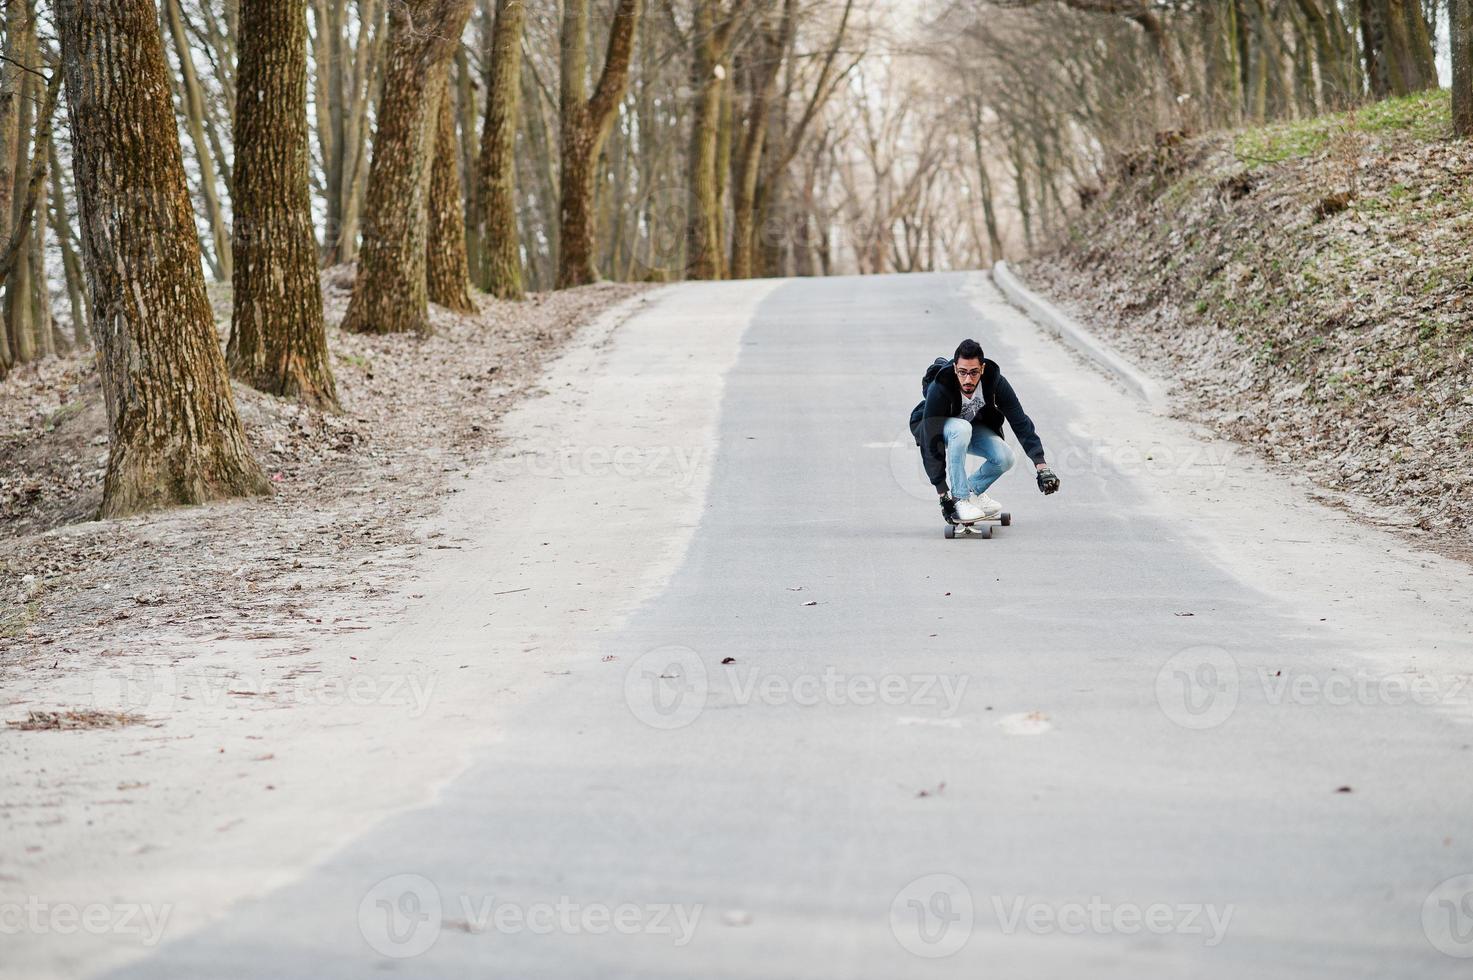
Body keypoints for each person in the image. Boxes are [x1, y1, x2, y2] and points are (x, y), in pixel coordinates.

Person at [909, 338, 1060, 524]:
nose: (968, 379)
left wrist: (1041, 466)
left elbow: (1019, 419)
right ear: (955, 368)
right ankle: (961, 499)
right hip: (935, 428)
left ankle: (972, 494)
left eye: (973, 373)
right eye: (962, 372)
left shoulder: (994, 381)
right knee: (961, 428)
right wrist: (943, 496)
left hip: (969, 426)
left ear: (982, 369)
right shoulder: (941, 386)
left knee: (1005, 457)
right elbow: (930, 440)